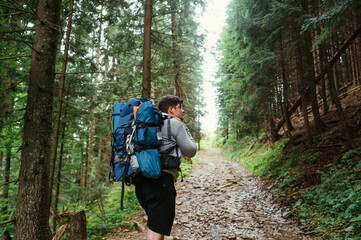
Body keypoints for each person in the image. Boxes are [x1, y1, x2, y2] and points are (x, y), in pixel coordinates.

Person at [135, 95, 197, 240]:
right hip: (161, 182)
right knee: (156, 230)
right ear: (171, 110)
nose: (183, 111)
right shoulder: (175, 124)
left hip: (140, 181)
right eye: (180, 107)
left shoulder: (145, 123)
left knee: (155, 225)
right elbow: (191, 150)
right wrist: (183, 126)